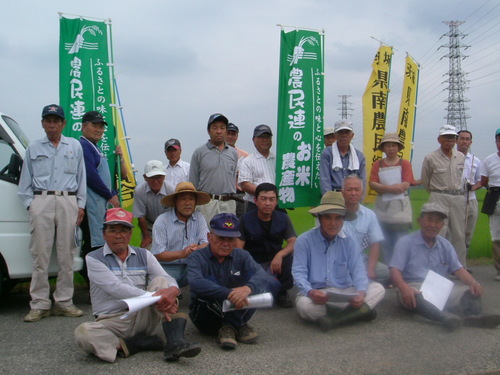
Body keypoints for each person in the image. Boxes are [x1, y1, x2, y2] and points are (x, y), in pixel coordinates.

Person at [74, 208, 201, 363]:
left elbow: (166, 277)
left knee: (162, 282)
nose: (118, 235)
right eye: (112, 230)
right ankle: (134, 344)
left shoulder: (143, 254)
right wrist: (157, 297)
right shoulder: (93, 258)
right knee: (83, 333)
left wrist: (172, 291)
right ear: (104, 234)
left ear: (130, 234)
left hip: (142, 315)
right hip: (112, 321)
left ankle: (176, 342)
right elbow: (115, 288)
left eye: (123, 230)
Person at [18, 104, 86, 322]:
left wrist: (80, 204)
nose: (52, 124)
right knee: (40, 255)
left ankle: (64, 302)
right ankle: (39, 304)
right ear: (42, 123)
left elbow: (81, 177)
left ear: (63, 123)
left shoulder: (74, 146)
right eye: (48, 120)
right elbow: (24, 182)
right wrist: (33, 205)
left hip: (68, 200)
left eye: (56, 120)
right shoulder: (33, 148)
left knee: (66, 254)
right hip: (42, 199)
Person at [390, 203, 500, 330]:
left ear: (442, 225)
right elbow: (394, 270)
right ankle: (443, 317)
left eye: (437, 221)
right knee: (416, 296)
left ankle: (475, 317)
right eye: (429, 219)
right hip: (413, 286)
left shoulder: (445, 245)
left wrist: (474, 283)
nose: (433, 225)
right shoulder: (406, 242)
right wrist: (404, 288)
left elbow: (458, 269)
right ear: (419, 221)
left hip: (439, 289)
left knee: (470, 291)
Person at [292, 191, 385, 331]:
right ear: (320, 218)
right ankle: (359, 313)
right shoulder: (304, 241)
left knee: (378, 289)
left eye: (338, 218)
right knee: (305, 307)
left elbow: (358, 270)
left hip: (345, 292)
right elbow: (298, 273)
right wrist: (310, 292)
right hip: (318, 294)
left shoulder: (349, 241)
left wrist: (360, 292)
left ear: (343, 220)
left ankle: (335, 320)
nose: (333, 223)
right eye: (328, 218)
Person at [187, 213, 280, 350]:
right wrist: (229, 293)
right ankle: (238, 324)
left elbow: (261, 275)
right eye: (221, 238)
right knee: (207, 288)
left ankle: (229, 326)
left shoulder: (242, 255)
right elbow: (195, 282)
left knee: (271, 283)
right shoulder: (196, 257)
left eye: (231, 239)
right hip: (207, 315)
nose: (226, 244)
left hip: (234, 306)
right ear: (209, 237)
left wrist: (247, 288)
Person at [79, 110, 127, 283]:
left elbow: (109, 177)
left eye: (101, 126)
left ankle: (100, 283)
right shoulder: (83, 146)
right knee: (93, 246)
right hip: (91, 205)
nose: (98, 129)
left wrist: (113, 193)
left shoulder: (95, 147)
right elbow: (91, 176)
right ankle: (93, 284)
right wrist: (109, 195)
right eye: (95, 125)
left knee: (100, 243)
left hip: (101, 205)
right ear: (84, 127)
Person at [239, 183, 296, 308]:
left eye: (271, 199)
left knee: (289, 254)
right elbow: (239, 249)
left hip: (274, 263)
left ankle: (282, 292)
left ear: (276, 202)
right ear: (256, 201)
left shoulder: (284, 218)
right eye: (263, 199)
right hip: (253, 263)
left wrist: (280, 255)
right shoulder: (245, 219)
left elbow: (293, 241)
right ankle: (258, 288)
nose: (267, 203)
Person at [421, 125, 467, 267]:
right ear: (439, 139)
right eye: (446, 137)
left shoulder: (460, 156)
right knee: (437, 233)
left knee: (459, 234)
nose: (449, 140)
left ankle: (459, 267)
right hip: (438, 196)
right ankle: (436, 268)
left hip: (457, 198)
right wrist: (436, 194)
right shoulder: (430, 158)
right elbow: (425, 180)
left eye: (452, 137)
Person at [151, 182, 210, 288]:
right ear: (175, 201)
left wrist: (197, 248)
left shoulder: (199, 217)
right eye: (183, 199)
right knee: (161, 286)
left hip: (191, 265)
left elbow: (206, 242)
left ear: (196, 202)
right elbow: (158, 254)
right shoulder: (162, 221)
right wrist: (182, 253)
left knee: (211, 271)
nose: (187, 203)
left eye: (191, 199)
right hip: (167, 267)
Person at [369, 133, 414, 264]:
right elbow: (372, 183)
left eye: (394, 145)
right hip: (383, 206)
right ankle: (388, 271)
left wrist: (397, 187)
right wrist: (389, 189)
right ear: (383, 148)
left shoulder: (404, 163)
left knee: (401, 239)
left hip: (400, 206)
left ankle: (401, 269)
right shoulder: (378, 164)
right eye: (388, 145)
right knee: (385, 240)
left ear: (398, 147)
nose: (391, 148)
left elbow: (407, 182)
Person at [189, 113, 239, 223]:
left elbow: (232, 178)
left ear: (226, 130)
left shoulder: (233, 153)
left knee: (228, 238)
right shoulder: (199, 153)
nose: (219, 131)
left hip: (229, 204)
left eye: (222, 128)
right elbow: (193, 183)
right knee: (206, 237)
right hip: (207, 204)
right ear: (208, 130)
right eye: (215, 127)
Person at [342, 175, 389, 284]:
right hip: (339, 262)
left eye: (357, 190)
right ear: (342, 191)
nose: (353, 193)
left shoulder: (370, 215)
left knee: (386, 271)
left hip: (361, 260)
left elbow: (375, 243)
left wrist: (371, 269)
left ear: (362, 192)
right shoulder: (334, 214)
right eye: (349, 190)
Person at [132, 160, 174, 249]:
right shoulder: (139, 191)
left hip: (169, 225)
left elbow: (176, 215)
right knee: (148, 251)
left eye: (159, 177)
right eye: (152, 177)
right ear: (145, 177)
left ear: (164, 176)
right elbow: (141, 217)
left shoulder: (171, 190)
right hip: (149, 226)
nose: (155, 181)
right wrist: (146, 236)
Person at [319, 119, 366, 194]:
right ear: (335, 135)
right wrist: (329, 199)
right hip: (334, 195)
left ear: (352, 135)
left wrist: (358, 200)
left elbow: (362, 181)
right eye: (340, 132)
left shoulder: (359, 156)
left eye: (347, 132)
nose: (344, 135)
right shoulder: (327, 153)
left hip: (353, 195)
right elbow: (325, 179)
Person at [239, 124, 276, 212]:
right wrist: (267, 195)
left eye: (267, 137)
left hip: (275, 206)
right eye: (261, 137)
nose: (265, 140)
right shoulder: (248, 161)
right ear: (253, 139)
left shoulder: (278, 160)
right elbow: (245, 185)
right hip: (255, 206)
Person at [479, 128, 500, 281]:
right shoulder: (489, 160)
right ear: (495, 142)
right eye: (499, 140)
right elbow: (483, 181)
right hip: (495, 197)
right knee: (496, 236)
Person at [456, 130, 482, 256]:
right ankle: (450, 262)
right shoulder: (451, 157)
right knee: (454, 232)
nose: (464, 141)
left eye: (467, 139)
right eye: (462, 138)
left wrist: (473, 187)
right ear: (456, 140)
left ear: (471, 142)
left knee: (468, 232)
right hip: (454, 199)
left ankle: (463, 262)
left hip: (471, 200)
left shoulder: (475, 161)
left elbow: (480, 181)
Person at [226, 122, 249, 217]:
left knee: (242, 222)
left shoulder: (245, 155)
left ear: (237, 136)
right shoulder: (216, 154)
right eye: (228, 133)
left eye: (233, 134)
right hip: (225, 195)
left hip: (240, 194)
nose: (230, 137)